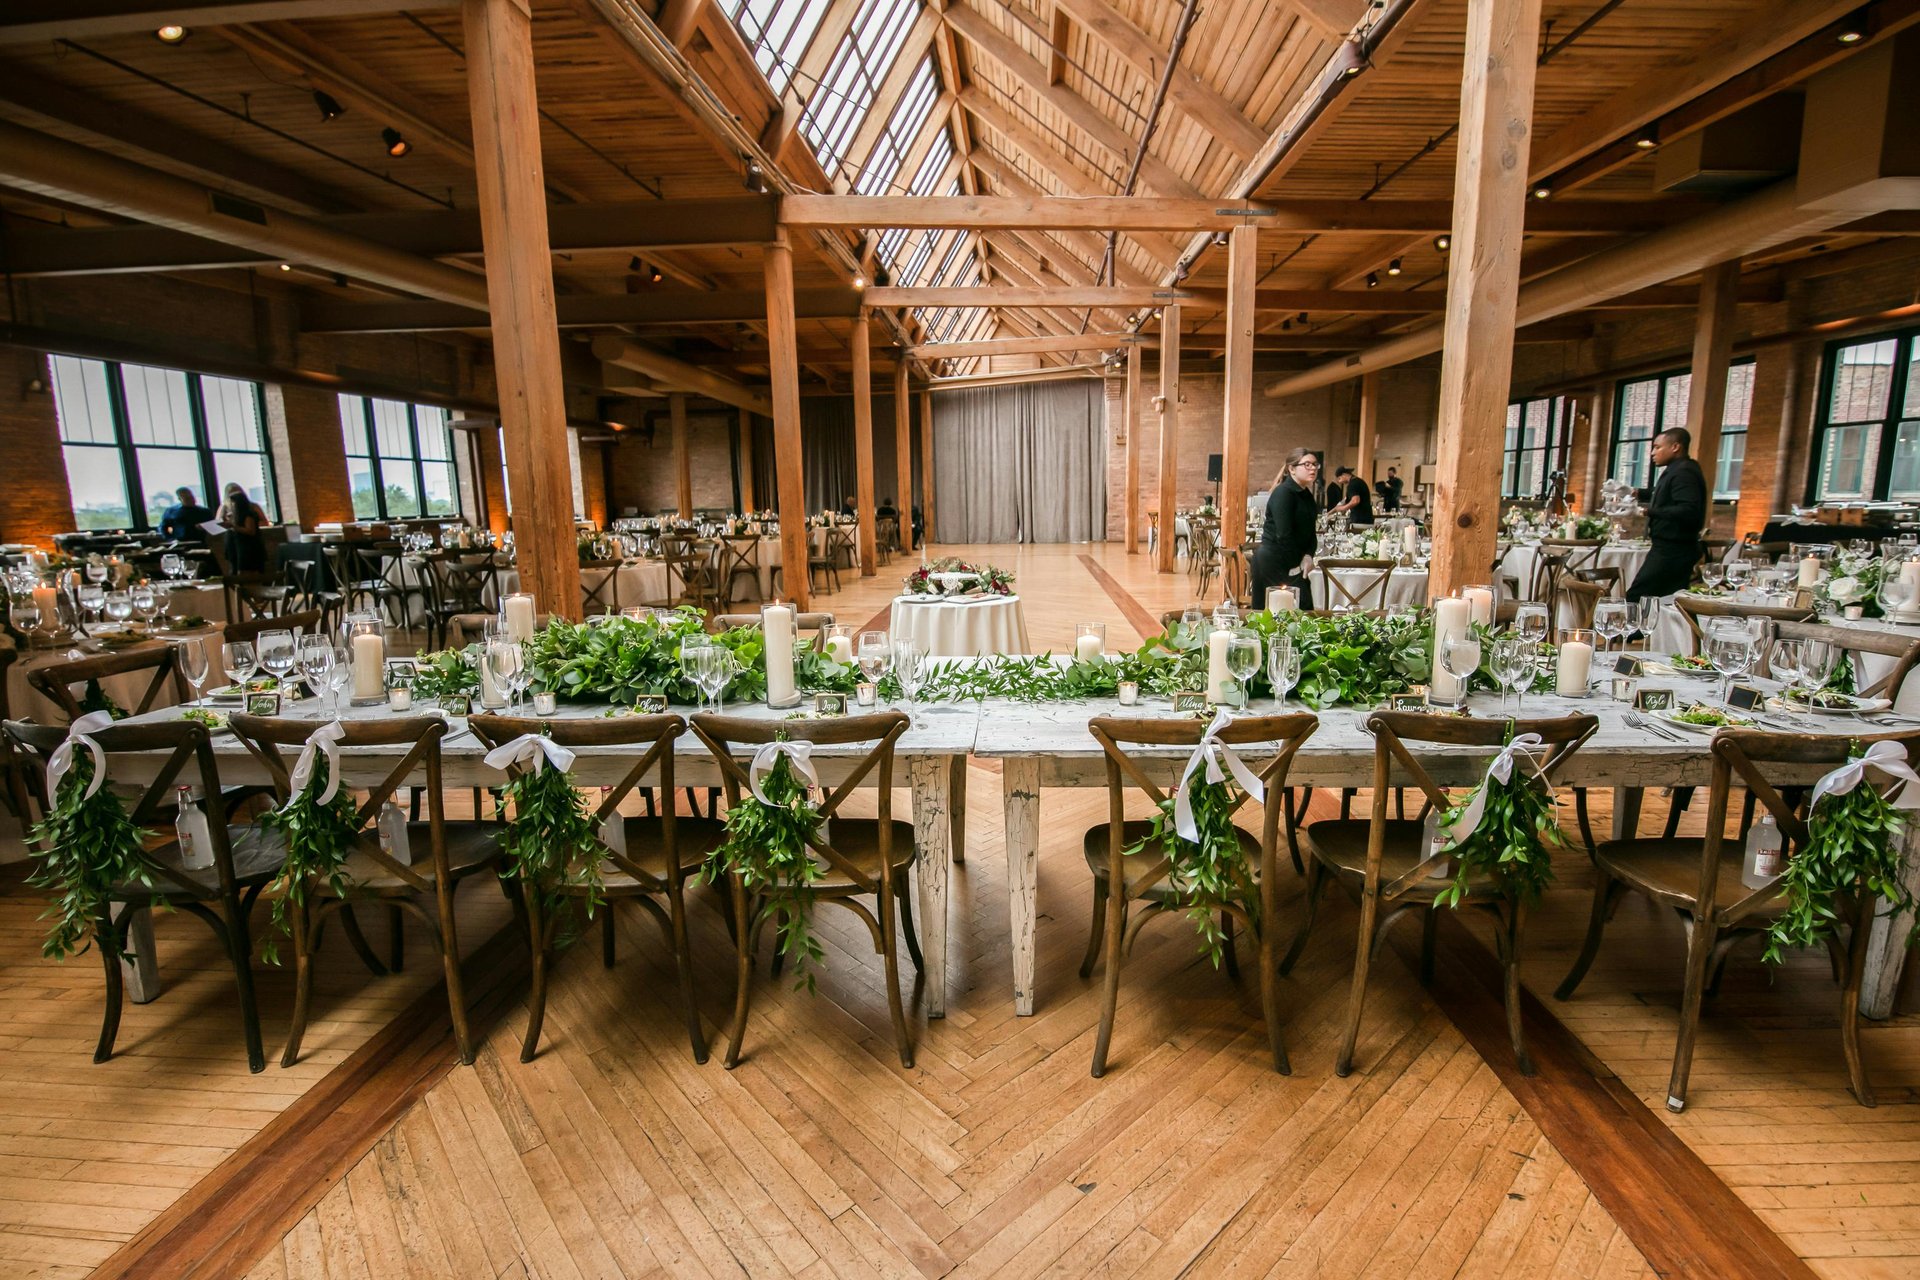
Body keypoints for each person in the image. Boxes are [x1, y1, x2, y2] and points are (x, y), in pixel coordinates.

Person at [1625, 427, 1707, 602]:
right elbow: (1661, 493)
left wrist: (1645, 511)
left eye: (1657, 447)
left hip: (1673, 549)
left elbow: (1688, 509)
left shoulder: (1683, 471)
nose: (1653, 453)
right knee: (1668, 599)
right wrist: (1634, 492)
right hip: (1673, 547)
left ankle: (1636, 630)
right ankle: (1665, 630)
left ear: (1675, 447)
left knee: (1637, 597)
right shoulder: (1679, 469)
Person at [1251, 449, 1321, 610]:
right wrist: (1298, 563)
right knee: (1275, 613)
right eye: (1307, 464)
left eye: (1315, 465)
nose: (1313, 469)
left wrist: (1309, 555)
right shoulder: (1284, 493)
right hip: (1274, 561)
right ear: (1292, 469)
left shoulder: (1306, 495)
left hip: (1293, 560)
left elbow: (1311, 531)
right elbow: (1284, 534)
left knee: (1303, 609)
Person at [218, 482, 268, 574]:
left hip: (247, 545)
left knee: (247, 571)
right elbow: (218, 521)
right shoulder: (224, 508)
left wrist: (233, 526)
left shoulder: (249, 512)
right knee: (234, 568)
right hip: (234, 543)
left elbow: (251, 530)